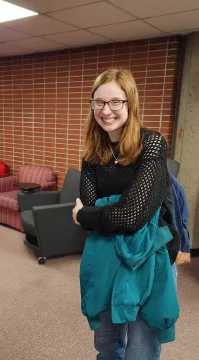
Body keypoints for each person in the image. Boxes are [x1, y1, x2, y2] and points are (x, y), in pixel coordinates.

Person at [72, 68, 180, 359]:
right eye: (99, 102)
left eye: (115, 102)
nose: (106, 110)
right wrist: (108, 211)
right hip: (108, 254)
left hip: (149, 256)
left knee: (140, 349)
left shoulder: (152, 144)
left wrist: (85, 215)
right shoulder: (92, 151)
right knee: (106, 343)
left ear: (130, 104)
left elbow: (131, 218)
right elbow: (100, 207)